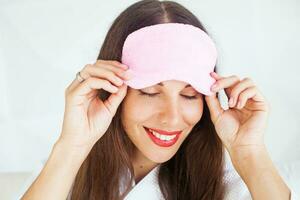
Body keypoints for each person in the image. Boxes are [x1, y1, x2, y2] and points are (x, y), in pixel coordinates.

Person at [21, 0, 298, 199]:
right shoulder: (64, 174)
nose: (173, 118)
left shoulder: (236, 187)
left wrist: (250, 152)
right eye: (151, 91)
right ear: (113, 89)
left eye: (190, 95)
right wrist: (72, 145)